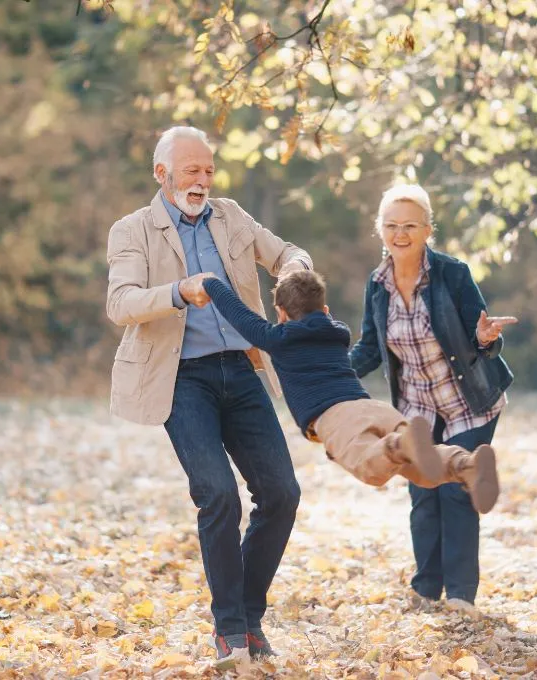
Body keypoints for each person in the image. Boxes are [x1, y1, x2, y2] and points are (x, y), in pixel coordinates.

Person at [104, 125, 312, 668]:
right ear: (162, 174)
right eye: (190, 170)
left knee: (282, 493)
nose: (201, 180)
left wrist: (294, 274)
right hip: (181, 378)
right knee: (218, 495)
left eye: (207, 170)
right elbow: (121, 302)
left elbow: (288, 251)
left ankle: (248, 615)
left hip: (242, 372)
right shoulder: (132, 231)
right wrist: (178, 291)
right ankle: (230, 632)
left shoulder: (231, 215)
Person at [199, 270, 500, 511]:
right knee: (424, 469)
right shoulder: (337, 333)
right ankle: (466, 465)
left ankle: (400, 443)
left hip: (334, 417)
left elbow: (240, 316)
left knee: (370, 467)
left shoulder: (279, 337)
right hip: (371, 406)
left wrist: (211, 283)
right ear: (325, 311)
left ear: (281, 313)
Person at [349, 184, 517, 611]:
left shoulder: (451, 273)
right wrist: (332, 375)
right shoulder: (377, 284)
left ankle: (460, 595)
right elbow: (371, 348)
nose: (399, 234)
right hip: (417, 408)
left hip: (467, 402)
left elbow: (481, 335)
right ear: (380, 230)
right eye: (391, 226)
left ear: (427, 230)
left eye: (409, 225)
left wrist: (484, 337)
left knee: (455, 490)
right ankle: (426, 587)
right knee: (423, 492)